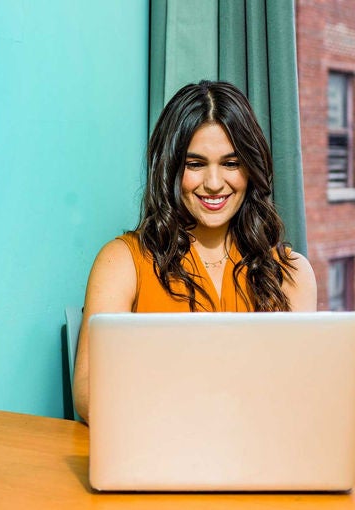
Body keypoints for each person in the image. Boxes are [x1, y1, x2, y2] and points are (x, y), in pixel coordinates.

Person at [72, 81, 317, 423]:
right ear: (171, 169)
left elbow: (303, 398)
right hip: (156, 454)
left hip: (261, 461)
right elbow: (88, 397)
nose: (214, 183)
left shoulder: (292, 272)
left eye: (231, 163)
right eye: (195, 164)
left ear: (251, 169)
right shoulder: (121, 262)